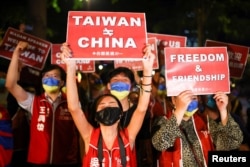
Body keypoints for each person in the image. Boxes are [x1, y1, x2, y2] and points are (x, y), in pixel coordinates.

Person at [60, 42, 154, 166]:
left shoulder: (128, 137)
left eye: (112, 104)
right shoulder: (90, 137)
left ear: (120, 113)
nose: (108, 106)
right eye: (102, 105)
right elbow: (74, 108)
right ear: (96, 115)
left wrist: (147, 70)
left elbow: (141, 108)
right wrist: (71, 68)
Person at [5, 41, 81, 167]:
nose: (50, 78)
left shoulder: (71, 102)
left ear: (62, 82)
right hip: (37, 162)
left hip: (67, 162)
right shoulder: (34, 101)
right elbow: (10, 85)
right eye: (46, 76)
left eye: (54, 76)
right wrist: (16, 53)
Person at [151, 90, 243, 167]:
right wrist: (180, 111)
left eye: (194, 98)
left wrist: (223, 111)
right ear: (174, 100)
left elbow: (231, 143)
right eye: (185, 98)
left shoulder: (205, 121)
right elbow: (160, 143)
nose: (189, 102)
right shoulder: (162, 121)